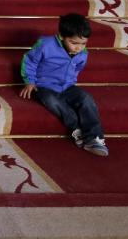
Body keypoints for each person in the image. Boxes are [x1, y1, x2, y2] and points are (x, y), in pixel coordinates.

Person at [20, 13, 109, 157]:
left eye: (83, 43)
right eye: (74, 43)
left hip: (67, 86)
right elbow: (29, 61)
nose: (79, 48)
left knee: (86, 98)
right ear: (61, 36)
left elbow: (77, 68)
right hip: (43, 86)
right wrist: (29, 81)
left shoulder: (83, 53)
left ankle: (94, 138)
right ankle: (77, 129)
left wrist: (70, 81)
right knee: (51, 100)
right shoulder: (45, 44)